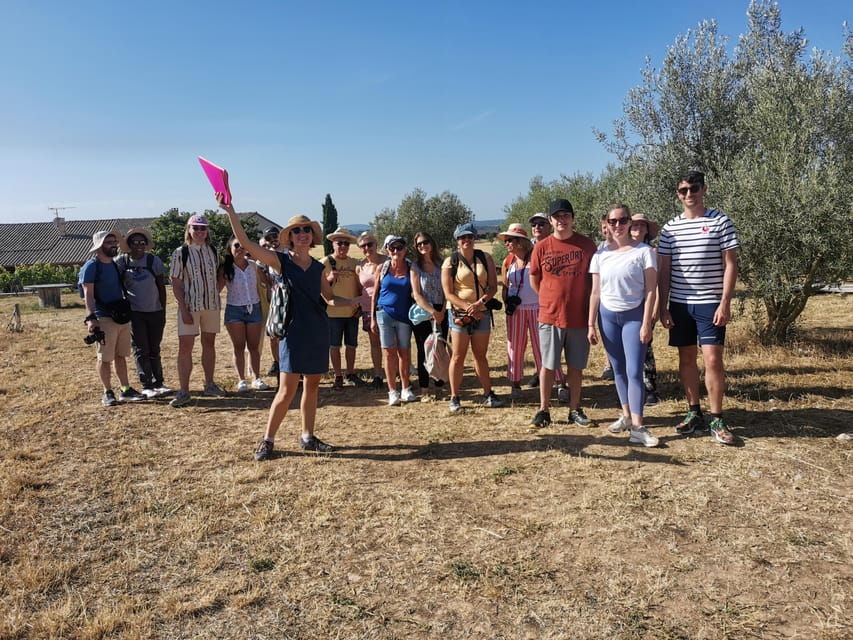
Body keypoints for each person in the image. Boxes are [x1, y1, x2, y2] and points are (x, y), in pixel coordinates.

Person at [218, 195, 357, 460]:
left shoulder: (318, 268)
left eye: (307, 230)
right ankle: (268, 440)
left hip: (317, 331)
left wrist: (354, 300)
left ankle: (307, 437)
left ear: (312, 236)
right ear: (290, 237)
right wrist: (230, 211)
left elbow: (328, 299)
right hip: (292, 333)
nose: (302, 234)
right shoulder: (280, 261)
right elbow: (246, 243)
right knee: (286, 389)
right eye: (297, 230)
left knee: (313, 386)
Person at [658, 170, 740, 445]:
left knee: (713, 360)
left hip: (710, 303)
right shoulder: (670, 229)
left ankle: (717, 417)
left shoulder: (721, 222)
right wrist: (663, 306)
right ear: (677, 194)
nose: (689, 194)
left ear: (704, 189)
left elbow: (731, 263)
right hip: (680, 304)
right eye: (683, 190)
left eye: (694, 189)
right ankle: (694, 412)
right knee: (685, 359)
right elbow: (664, 270)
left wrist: (725, 302)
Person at [587, 205, 660, 447]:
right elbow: (595, 292)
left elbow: (651, 289)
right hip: (607, 317)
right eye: (612, 221)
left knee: (634, 371)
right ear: (606, 224)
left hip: (634, 317)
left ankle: (638, 427)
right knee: (618, 370)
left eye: (622, 220)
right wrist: (590, 324)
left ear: (629, 223)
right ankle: (627, 416)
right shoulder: (599, 255)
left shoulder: (644, 252)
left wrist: (647, 322)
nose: (617, 225)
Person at [528, 199, 597, 430]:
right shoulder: (541, 247)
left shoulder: (587, 245)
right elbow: (534, 278)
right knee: (548, 365)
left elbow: (594, 280)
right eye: (557, 216)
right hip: (550, 316)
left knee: (576, 367)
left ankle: (574, 409)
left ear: (573, 218)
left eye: (566, 215)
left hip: (579, 316)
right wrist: (548, 298)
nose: (561, 220)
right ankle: (543, 409)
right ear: (550, 221)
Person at [441, 222, 504, 412]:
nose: (466, 240)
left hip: (482, 313)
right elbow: (448, 293)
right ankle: (455, 397)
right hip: (460, 315)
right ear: (457, 240)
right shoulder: (450, 262)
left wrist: (480, 304)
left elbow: (493, 286)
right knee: (458, 356)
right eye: (462, 237)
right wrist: (468, 307)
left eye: (469, 237)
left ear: (474, 238)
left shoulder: (485, 258)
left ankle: (487, 393)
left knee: (480, 356)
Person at [81, 230, 145, 406]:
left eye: (114, 242)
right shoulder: (92, 266)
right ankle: (107, 392)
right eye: (109, 242)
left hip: (120, 317)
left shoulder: (115, 265)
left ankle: (125, 389)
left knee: (121, 355)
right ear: (99, 246)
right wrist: (91, 318)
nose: (114, 245)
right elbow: (88, 292)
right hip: (103, 318)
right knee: (104, 357)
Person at [168, 214, 225, 407]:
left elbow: (220, 273)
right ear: (189, 230)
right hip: (190, 306)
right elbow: (175, 282)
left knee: (209, 344)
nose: (200, 232)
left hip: (211, 305)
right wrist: (183, 308)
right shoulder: (180, 252)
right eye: (196, 228)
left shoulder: (213, 251)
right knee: (185, 348)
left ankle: (210, 384)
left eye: (203, 228)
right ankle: (184, 391)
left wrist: (216, 291)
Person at [115, 227, 171, 398]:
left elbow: (161, 287)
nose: (138, 245)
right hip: (134, 312)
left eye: (142, 242)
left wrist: (163, 310)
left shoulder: (153, 261)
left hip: (155, 310)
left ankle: (158, 383)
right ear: (128, 244)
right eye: (134, 242)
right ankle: (146, 384)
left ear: (146, 245)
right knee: (141, 348)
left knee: (155, 348)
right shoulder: (121, 262)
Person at [217, 236, 270, 392]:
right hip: (235, 310)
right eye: (236, 246)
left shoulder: (254, 266)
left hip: (254, 308)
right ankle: (241, 380)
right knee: (238, 347)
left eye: (243, 246)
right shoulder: (225, 268)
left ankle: (256, 377)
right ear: (230, 249)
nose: (240, 248)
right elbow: (217, 289)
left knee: (254, 347)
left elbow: (266, 282)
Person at [371, 235, 416, 406]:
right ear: (388, 250)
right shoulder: (382, 268)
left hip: (404, 315)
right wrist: (373, 318)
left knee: (404, 352)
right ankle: (392, 391)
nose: (396, 251)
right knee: (388, 353)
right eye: (392, 248)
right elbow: (375, 294)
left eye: (399, 248)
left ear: (405, 250)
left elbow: (417, 291)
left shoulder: (411, 268)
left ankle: (406, 387)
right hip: (384, 314)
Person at [529, 212, 570, 401]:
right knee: (547, 351)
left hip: (564, 308)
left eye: (541, 223)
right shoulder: (531, 247)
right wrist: (546, 297)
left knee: (563, 352)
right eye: (534, 224)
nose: (537, 227)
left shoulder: (564, 243)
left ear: (549, 224)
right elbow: (534, 279)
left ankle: (562, 383)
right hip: (545, 307)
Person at [499, 223, 541, 399]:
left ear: (521, 242)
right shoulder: (508, 261)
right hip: (516, 311)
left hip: (538, 308)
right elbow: (505, 286)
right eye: (506, 241)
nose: (507, 243)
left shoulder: (536, 257)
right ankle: (515, 384)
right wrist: (507, 302)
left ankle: (558, 383)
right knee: (514, 348)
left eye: (510, 240)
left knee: (543, 348)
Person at [321, 227, 364, 389]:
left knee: (352, 345)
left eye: (346, 243)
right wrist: (330, 279)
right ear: (333, 243)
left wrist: (361, 306)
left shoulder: (354, 263)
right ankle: (338, 376)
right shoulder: (325, 263)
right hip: (332, 313)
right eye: (340, 243)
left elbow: (360, 286)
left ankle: (351, 373)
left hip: (352, 312)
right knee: (334, 346)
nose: (343, 246)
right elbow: (319, 287)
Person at [630, 213, 662, 405]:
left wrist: (656, 308)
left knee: (646, 348)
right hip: (628, 305)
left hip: (646, 305)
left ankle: (650, 388)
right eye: (635, 225)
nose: (639, 228)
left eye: (643, 225)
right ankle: (632, 389)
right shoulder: (622, 250)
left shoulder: (653, 251)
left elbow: (656, 284)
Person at [410, 231, 448, 393]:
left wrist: (443, 310)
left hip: (443, 310)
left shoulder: (443, 263)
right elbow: (417, 294)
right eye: (419, 244)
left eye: (425, 242)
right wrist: (433, 311)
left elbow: (448, 289)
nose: (422, 246)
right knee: (423, 349)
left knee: (441, 347)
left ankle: (440, 380)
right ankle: (424, 387)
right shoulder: (415, 266)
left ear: (431, 243)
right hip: (424, 311)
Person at [355, 231, 387, 389]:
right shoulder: (360, 267)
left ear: (376, 244)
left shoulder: (387, 261)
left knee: (390, 343)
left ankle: (395, 374)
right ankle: (378, 375)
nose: (367, 248)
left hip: (387, 308)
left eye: (370, 244)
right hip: (368, 309)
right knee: (374, 343)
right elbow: (359, 289)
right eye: (363, 246)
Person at [258, 226, 281, 378]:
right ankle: (277, 362)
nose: (273, 240)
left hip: (289, 299)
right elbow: (259, 269)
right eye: (268, 238)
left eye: (275, 237)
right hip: (275, 298)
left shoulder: (288, 252)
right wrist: (268, 284)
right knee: (274, 334)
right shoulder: (265, 256)